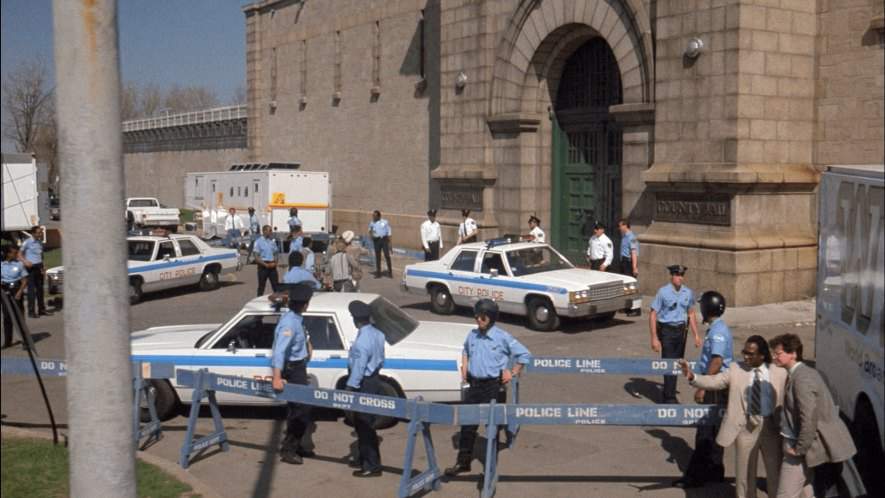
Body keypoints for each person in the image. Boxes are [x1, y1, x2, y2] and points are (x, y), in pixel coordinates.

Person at [679, 335, 786, 497]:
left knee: (774, 472)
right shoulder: (736, 369)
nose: (745, 356)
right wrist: (693, 377)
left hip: (770, 428)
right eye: (744, 352)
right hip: (745, 428)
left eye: (750, 354)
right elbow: (715, 381)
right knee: (744, 475)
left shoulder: (779, 373)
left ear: (762, 355)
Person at [445, 299, 532, 477]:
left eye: (482, 317)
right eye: (476, 316)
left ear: (491, 318)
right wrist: (464, 367)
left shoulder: (502, 337)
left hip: (493, 387)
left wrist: (513, 372)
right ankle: (463, 463)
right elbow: (465, 351)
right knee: (467, 427)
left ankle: (490, 469)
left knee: (492, 429)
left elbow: (524, 354)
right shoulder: (472, 335)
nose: (478, 319)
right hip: (474, 385)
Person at [769, 333, 857, 498]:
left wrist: (799, 448)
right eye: (774, 353)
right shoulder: (800, 373)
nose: (774, 357)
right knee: (808, 491)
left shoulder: (802, 379)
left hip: (800, 447)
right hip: (804, 445)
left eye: (778, 353)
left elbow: (808, 418)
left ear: (793, 353)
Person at [671, 291, 734, 489]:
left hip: (714, 386)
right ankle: (715, 472)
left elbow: (717, 360)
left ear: (708, 308)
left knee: (705, 433)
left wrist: (702, 386)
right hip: (717, 385)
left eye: (702, 306)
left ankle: (695, 476)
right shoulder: (717, 328)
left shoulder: (717, 332)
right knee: (714, 430)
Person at [271, 283, 315, 464]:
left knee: (297, 410)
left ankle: (295, 445)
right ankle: (289, 450)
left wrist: (308, 347)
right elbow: (279, 351)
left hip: (299, 366)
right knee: (301, 411)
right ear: (305, 304)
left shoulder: (295, 318)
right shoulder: (290, 323)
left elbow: (301, 339)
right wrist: (277, 377)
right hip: (293, 369)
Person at [649, 264, 701, 404]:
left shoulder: (687, 293)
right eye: (677, 275)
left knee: (678, 363)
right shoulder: (663, 292)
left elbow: (691, 313)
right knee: (668, 362)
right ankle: (669, 397)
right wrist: (654, 338)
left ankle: (669, 392)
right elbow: (653, 314)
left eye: (681, 275)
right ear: (671, 276)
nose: (680, 278)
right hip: (666, 330)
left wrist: (696, 335)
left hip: (681, 331)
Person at [345, 300, 386, 477]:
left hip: (364, 383)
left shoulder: (362, 341)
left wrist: (350, 388)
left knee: (364, 424)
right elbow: (381, 358)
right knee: (366, 423)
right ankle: (365, 458)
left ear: (356, 321)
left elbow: (359, 369)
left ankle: (371, 465)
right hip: (374, 379)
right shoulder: (378, 334)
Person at [20, 226, 50, 318]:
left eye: (41, 232)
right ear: (33, 233)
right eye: (39, 232)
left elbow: (41, 254)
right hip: (30, 268)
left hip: (39, 266)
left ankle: (41, 310)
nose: (41, 234)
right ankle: (31, 312)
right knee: (31, 290)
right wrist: (25, 261)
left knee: (40, 289)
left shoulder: (40, 242)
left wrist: (43, 265)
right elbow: (19, 254)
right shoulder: (27, 242)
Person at [2, 245, 28, 349]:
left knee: (19, 317)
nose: (16, 254)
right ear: (8, 254)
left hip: (16, 290)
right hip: (5, 291)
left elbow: (25, 280)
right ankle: (7, 342)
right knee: (7, 317)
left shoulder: (20, 264)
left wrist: (20, 292)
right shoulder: (1, 265)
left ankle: (25, 341)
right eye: (14, 253)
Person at [253, 225, 280, 296]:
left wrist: (275, 263)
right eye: (270, 230)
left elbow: (276, 253)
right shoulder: (258, 242)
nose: (271, 232)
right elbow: (256, 256)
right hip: (263, 266)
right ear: (264, 231)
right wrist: (265, 265)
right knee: (261, 287)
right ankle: (258, 302)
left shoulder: (272, 242)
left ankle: (278, 302)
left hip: (272, 265)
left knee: (276, 286)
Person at [368, 210, 392, 278]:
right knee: (377, 257)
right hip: (376, 241)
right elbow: (370, 230)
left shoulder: (385, 222)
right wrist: (371, 236)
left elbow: (389, 232)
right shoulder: (372, 223)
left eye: (375, 216)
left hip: (384, 240)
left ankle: (390, 272)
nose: (373, 217)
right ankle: (378, 273)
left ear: (379, 216)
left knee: (387, 255)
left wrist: (390, 243)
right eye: (373, 216)